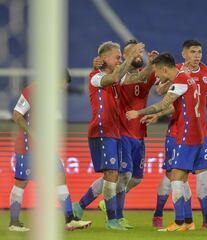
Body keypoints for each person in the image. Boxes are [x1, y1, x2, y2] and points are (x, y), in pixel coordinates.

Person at [73, 40, 158, 229]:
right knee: (114, 174)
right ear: (104, 58)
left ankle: (85, 209)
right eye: (117, 57)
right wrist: (129, 58)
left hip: (115, 132)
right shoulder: (96, 76)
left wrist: (150, 64)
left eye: (121, 57)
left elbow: (139, 77)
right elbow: (113, 78)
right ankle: (111, 218)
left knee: (115, 175)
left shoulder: (117, 77)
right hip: (103, 131)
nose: (120, 60)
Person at [143, 40, 207, 230]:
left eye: (199, 52)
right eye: (193, 52)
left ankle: (206, 220)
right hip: (177, 132)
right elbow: (161, 91)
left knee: (203, 178)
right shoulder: (177, 70)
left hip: (201, 133)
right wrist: (178, 78)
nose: (197, 56)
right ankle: (162, 213)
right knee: (173, 176)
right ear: (184, 54)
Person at [126, 52, 203, 232]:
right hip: (195, 134)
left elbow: (163, 103)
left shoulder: (180, 81)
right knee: (181, 179)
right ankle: (188, 222)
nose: (156, 76)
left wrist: (138, 113)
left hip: (186, 135)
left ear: (164, 69)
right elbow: (173, 105)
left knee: (175, 176)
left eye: (156, 72)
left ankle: (178, 222)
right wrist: (158, 115)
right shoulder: (188, 79)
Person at [9, 70, 92, 232]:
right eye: (62, 85)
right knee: (21, 182)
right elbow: (17, 116)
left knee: (60, 177)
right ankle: (14, 222)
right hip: (27, 147)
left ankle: (70, 219)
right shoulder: (31, 91)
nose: (62, 89)